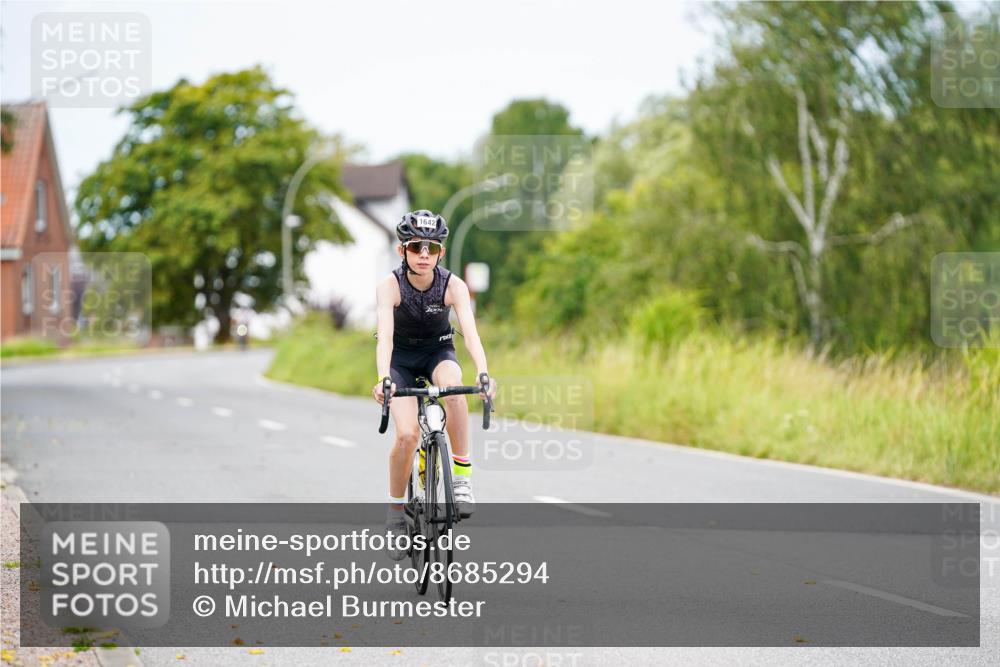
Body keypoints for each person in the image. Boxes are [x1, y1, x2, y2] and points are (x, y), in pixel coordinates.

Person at [373, 210, 497, 560]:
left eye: (432, 248)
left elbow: (470, 333)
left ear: (441, 251)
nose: (424, 254)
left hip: (437, 352)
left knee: (455, 390)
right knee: (407, 435)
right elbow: (385, 337)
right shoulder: (390, 286)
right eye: (416, 247)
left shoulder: (453, 285)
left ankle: (461, 478)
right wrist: (383, 378)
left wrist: (483, 373)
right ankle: (395, 516)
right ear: (402, 250)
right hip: (400, 360)